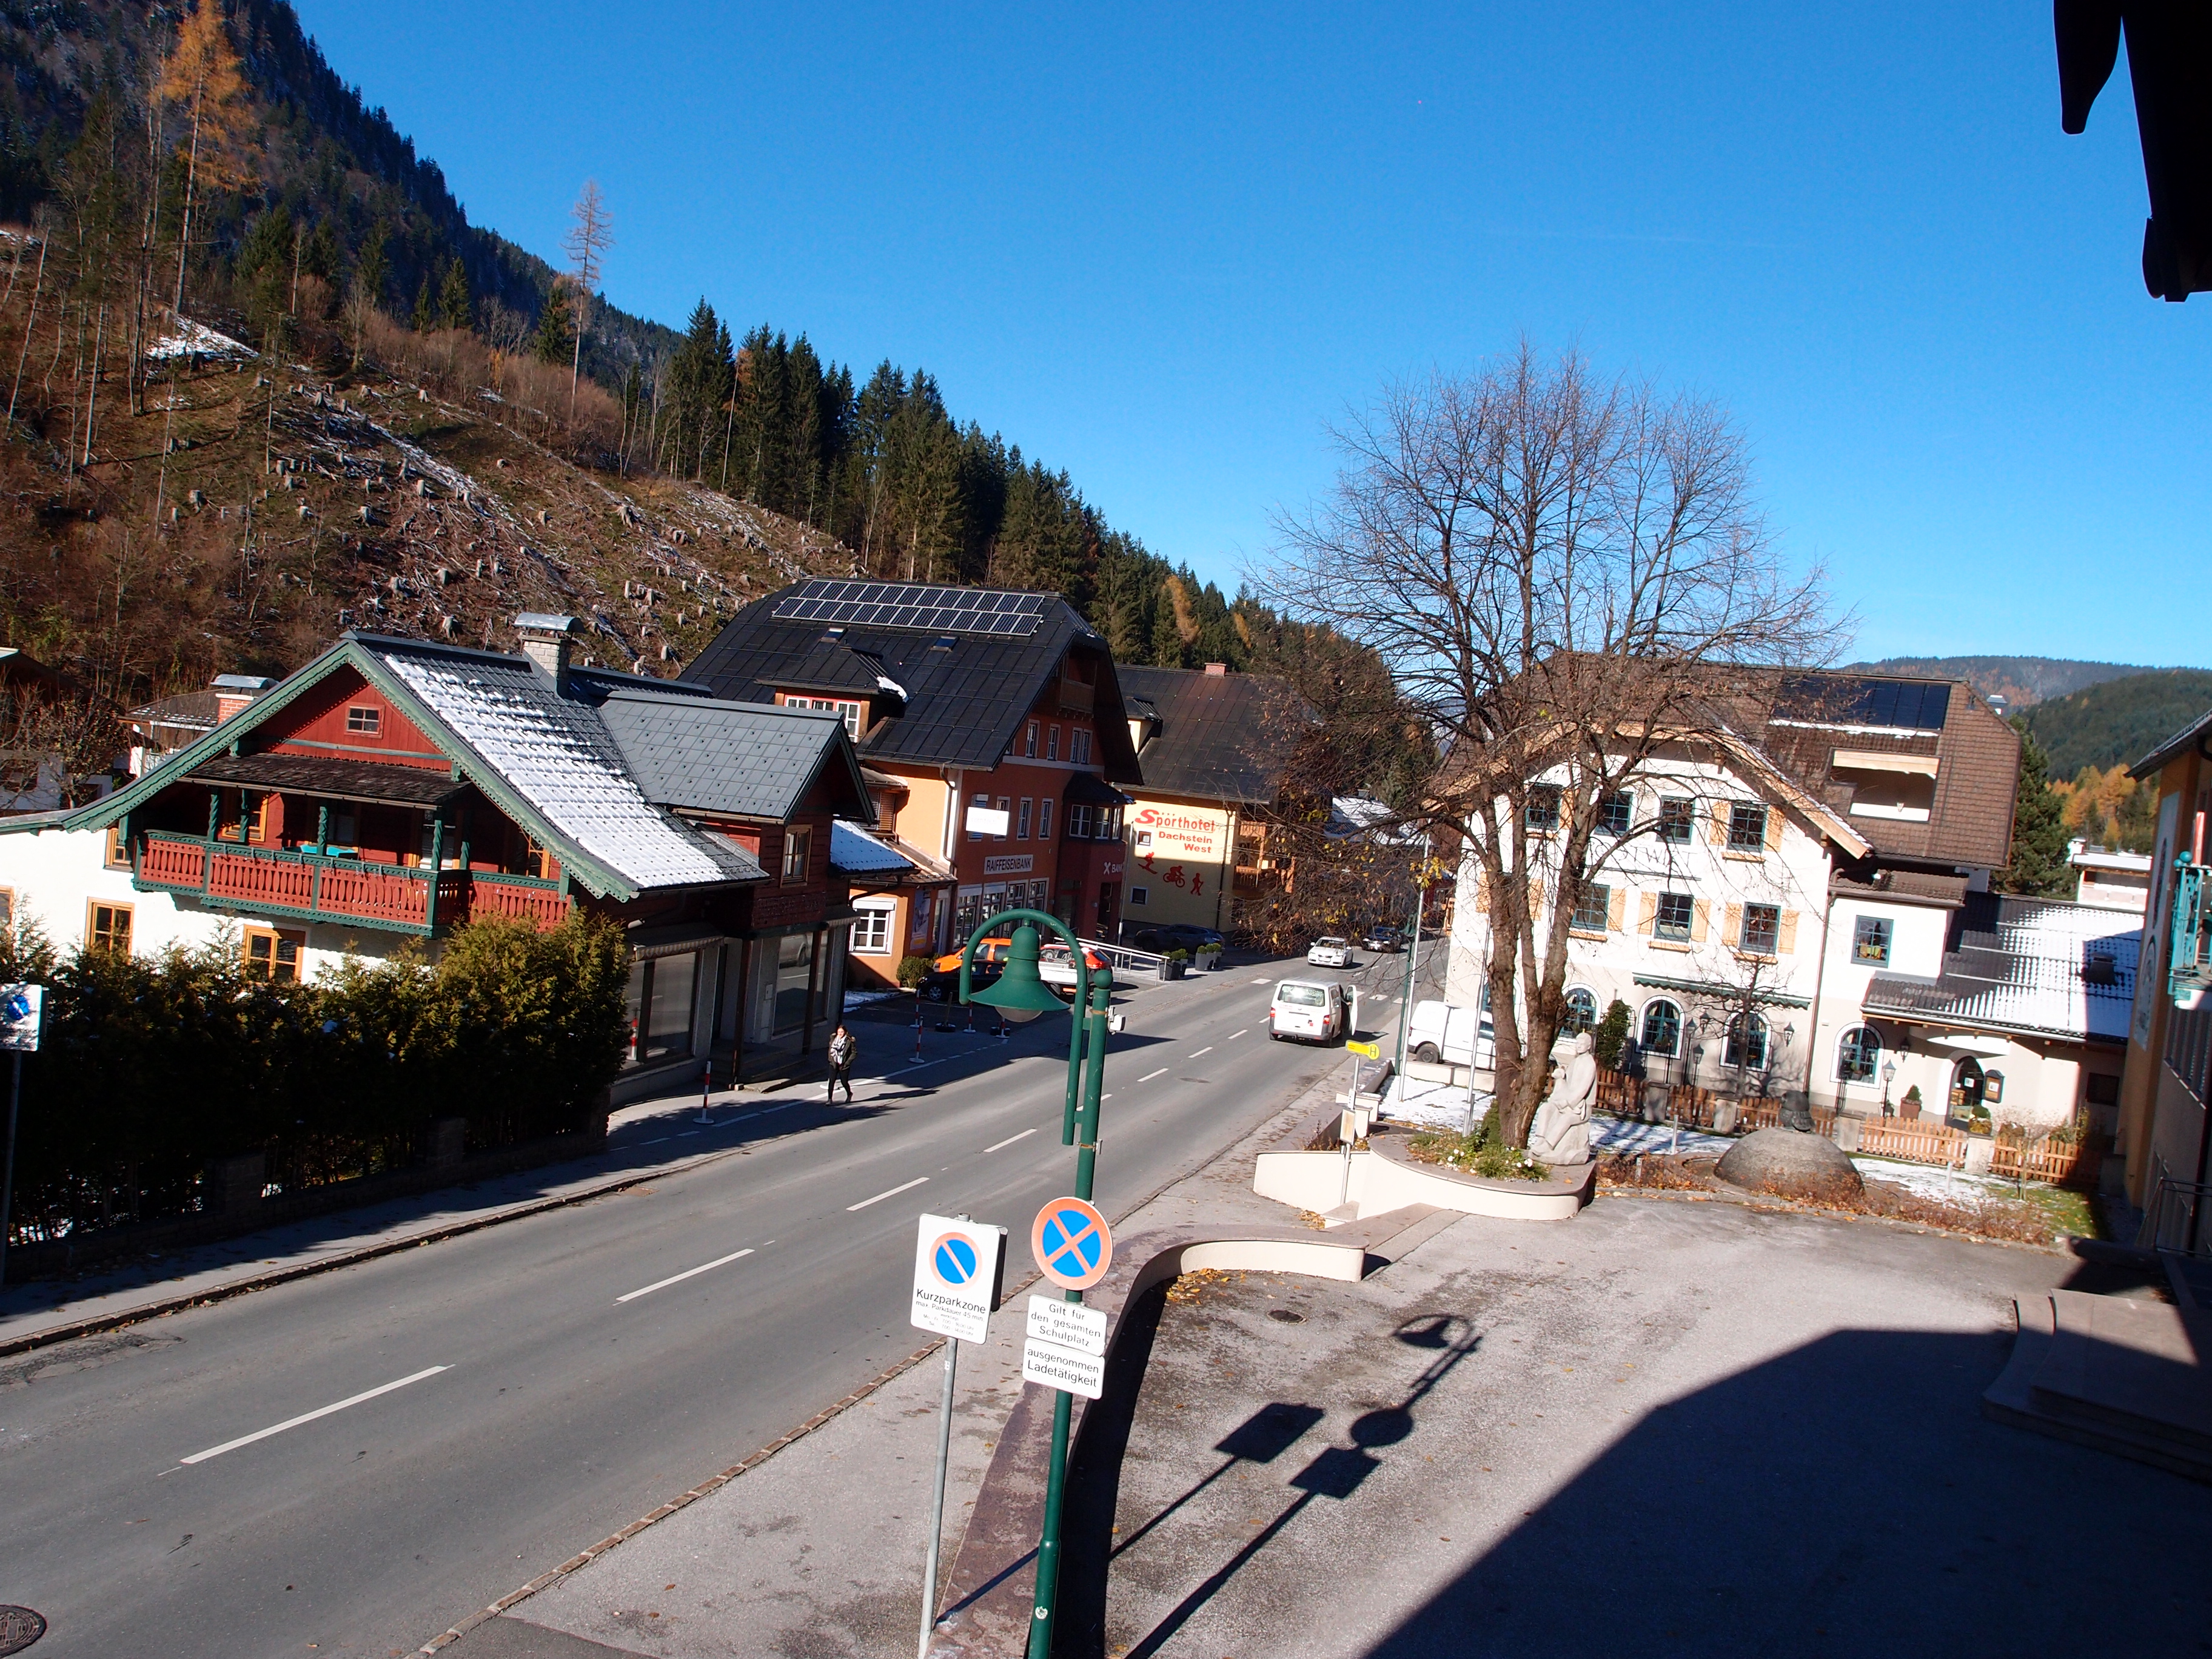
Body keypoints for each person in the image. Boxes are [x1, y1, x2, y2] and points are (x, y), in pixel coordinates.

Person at [825, 1022, 857, 1104]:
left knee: (844, 1082)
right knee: (832, 1081)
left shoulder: (849, 1041)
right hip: (834, 1063)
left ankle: (849, 1094)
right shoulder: (833, 1039)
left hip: (844, 1064)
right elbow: (830, 1050)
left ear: (845, 1032)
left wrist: (847, 1063)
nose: (840, 1034)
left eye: (842, 1032)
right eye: (839, 1032)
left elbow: (854, 1053)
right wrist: (830, 1059)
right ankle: (830, 1099)